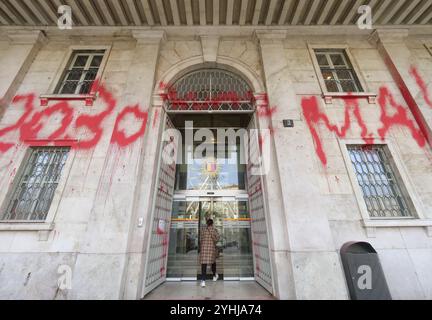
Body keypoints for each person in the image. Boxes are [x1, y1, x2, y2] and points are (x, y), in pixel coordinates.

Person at [199, 219, 220, 287]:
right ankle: (214, 276)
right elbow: (217, 238)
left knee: (204, 264)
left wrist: (203, 245)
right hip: (211, 248)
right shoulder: (214, 230)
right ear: (212, 223)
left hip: (204, 249)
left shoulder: (203, 230)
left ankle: (203, 280)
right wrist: (214, 242)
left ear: (207, 223)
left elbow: (201, 239)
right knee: (213, 262)